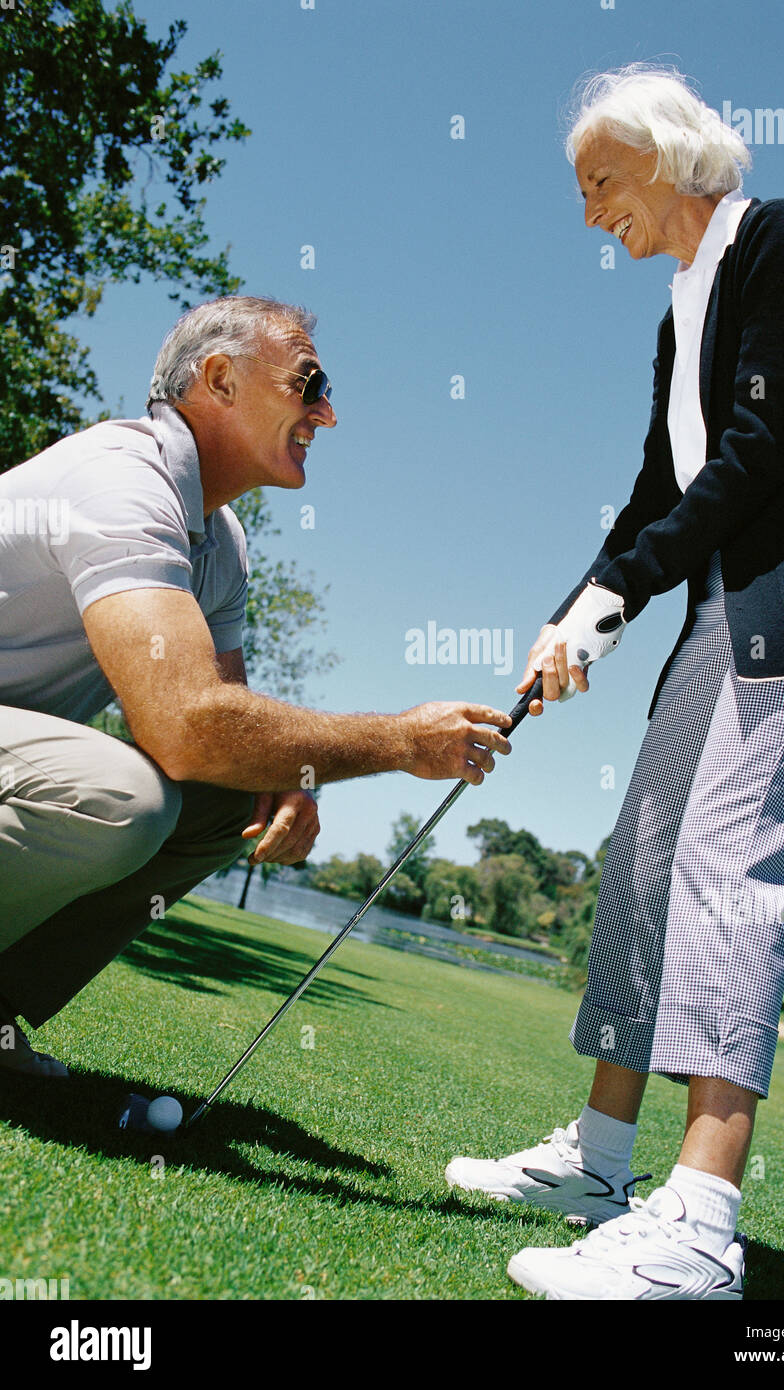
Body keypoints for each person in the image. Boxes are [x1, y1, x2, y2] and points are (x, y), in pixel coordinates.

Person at [446, 64, 784, 1301]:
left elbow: (759, 453)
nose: (591, 208)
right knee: (646, 861)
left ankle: (701, 1225)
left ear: (666, 155)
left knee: (726, 875)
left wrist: (617, 594)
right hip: (717, 612)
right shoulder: (680, 310)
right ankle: (600, 1161)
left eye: (600, 179)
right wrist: (580, 608)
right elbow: (663, 488)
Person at [0, 295, 512, 1079]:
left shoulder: (222, 540)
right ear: (220, 380)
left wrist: (283, 778)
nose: (327, 414)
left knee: (223, 796)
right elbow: (185, 727)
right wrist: (402, 742)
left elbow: (221, 726)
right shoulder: (120, 480)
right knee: (120, 796)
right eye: (309, 385)